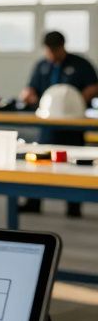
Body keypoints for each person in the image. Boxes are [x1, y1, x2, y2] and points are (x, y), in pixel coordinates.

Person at [18, 30, 98, 217]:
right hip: (48, 125)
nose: (52, 55)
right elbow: (31, 87)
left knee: (74, 163)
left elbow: (94, 85)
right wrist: (28, 94)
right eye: (49, 51)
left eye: (55, 50)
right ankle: (34, 202)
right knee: (39, 161)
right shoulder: (42, 66)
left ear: (63, 47)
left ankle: (74, 206)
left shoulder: (81, 64)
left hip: (73, 125)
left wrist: (82, 96)